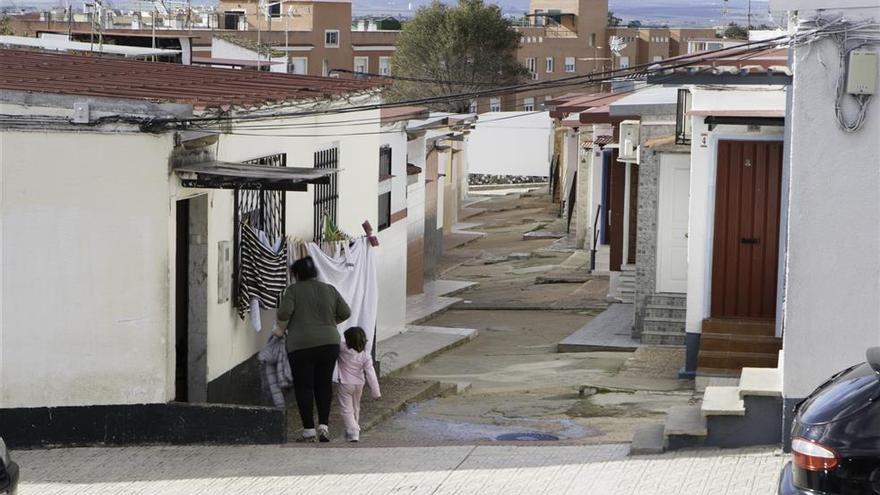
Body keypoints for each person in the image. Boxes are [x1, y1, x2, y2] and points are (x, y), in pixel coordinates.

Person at [275, 256, 351, 443]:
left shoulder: (293, 290)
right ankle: (324, 426)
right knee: (324, 384)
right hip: (329, 343)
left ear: (297, 274)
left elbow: (284, 313)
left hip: (301, 344)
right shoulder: (329, 289)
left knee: (304, 386)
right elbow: (346, 312)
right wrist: (330, 323)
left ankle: (309, 430)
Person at [336, 327, 381, 442]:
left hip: (345, 383)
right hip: (359, 384)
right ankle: (353, 433)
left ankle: (353, 429)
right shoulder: (366, 355)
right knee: (356, 407)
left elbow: (334, 342)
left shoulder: (342, 348)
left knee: (346, 409)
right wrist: (376, 392)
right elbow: (370, 373)